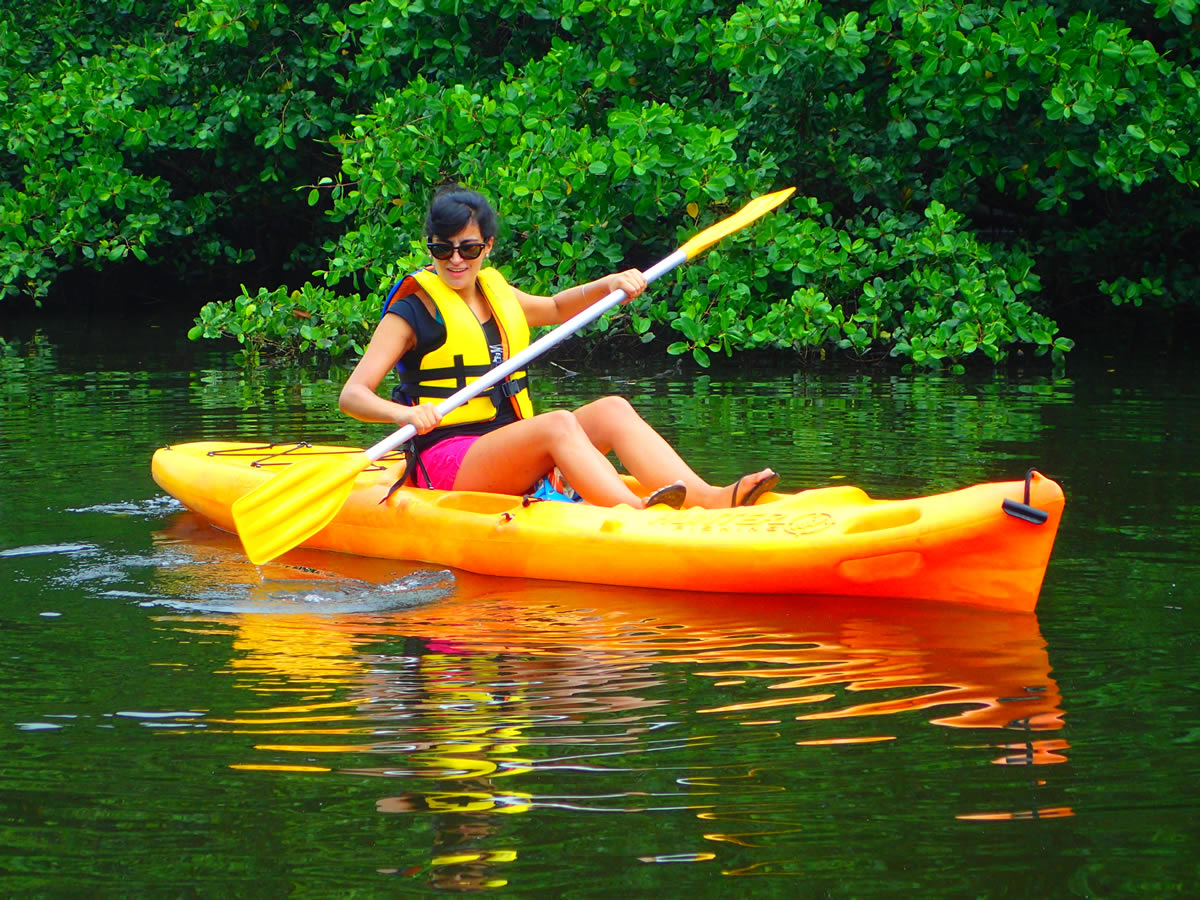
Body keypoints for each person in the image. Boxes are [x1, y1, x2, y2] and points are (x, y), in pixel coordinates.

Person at [338, 185, 779, 509]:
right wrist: (405, 413)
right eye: (443, 247)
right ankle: (632, 511)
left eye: (468, 248)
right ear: (430, 247)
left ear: (487, 247)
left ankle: (708, 498)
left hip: (505, 446)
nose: (455, 259)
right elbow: (352, 395)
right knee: (557, 425)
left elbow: (553, 306)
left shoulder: (496, 292)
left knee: (612, 409)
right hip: (448, 459)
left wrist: (609, 285)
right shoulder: (412, 312)